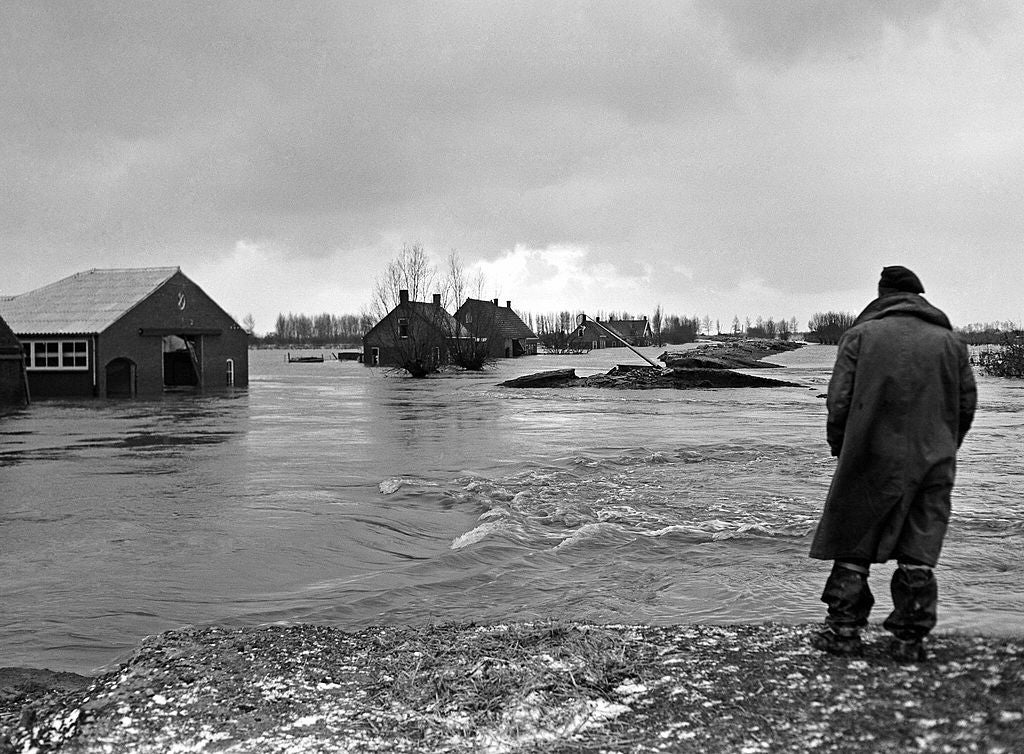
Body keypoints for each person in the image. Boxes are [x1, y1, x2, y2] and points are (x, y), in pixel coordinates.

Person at [809, 265, 977, 662]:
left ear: (882, 295)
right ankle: (909, 640)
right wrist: (946, 444)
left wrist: (841, 446)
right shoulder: (951, 342)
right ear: (920, 297)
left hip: (868, 451)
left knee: (854, 536)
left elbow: (840, 401)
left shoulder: (860, 337)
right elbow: (966, 404)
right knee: (921, 541)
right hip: (933, 454)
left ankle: (845, 632)